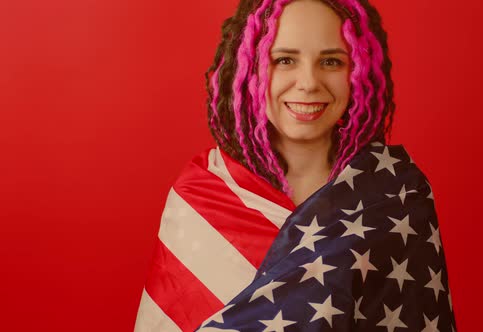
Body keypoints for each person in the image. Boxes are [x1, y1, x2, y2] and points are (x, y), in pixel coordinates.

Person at [135, 0, 457, 331]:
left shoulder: (395, 195)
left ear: (359, 72)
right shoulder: (202, 194)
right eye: (284, 60)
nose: (308, 83)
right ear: (248, 68)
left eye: (331, 61)